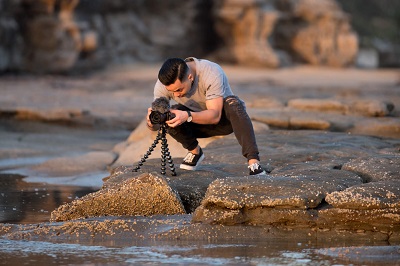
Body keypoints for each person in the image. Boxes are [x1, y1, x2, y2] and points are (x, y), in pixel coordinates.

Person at [146, 57, 266, 175]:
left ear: (190, 77)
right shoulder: (163, 84)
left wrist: (187, 115)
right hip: (196, 125)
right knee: (169, 114)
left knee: (233, 103)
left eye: (179, 90)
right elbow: (157, 124)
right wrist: (152, 123)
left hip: (225, 122)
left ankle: (253, 162)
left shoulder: (211, 72)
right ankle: (195, 152)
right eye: (171, 91)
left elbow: (215, 115)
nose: (176, 94)